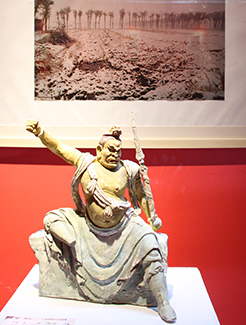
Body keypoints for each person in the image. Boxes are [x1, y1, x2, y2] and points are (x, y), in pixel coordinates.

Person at [26, 120, 176, 323]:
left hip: (124, 228)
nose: (115, 155)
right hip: (87, 227)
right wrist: (41, 132)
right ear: (99, 150)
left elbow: (141, 195)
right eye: (111, 150)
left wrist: (151, 217)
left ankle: (163, 301)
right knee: (52, 218)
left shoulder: (128, 169)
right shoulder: (85, 163)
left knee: (151, 246)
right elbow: (60, 148)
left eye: (119, 151)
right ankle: (71, 240)